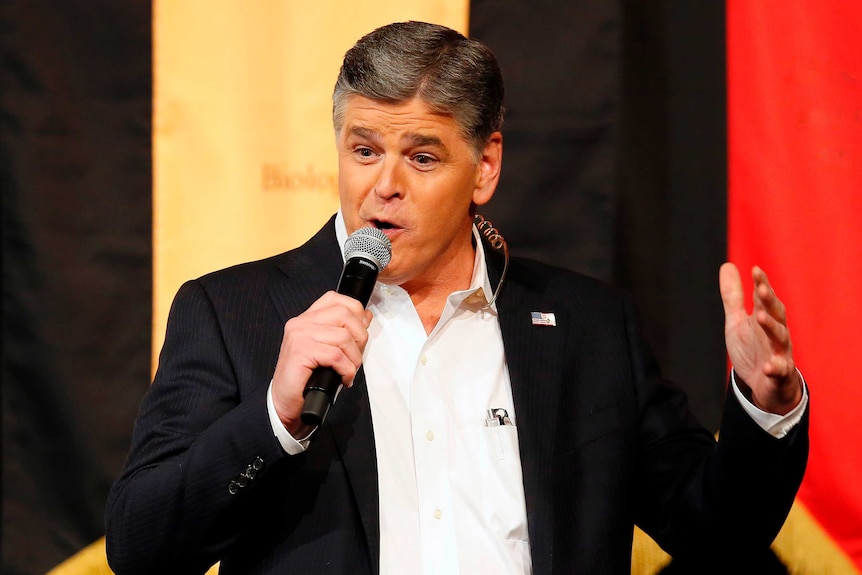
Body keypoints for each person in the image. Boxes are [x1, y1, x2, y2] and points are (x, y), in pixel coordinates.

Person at [105, 21, 808, 575]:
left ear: (486, 167)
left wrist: (765, 407)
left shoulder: (590, 327)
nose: (384, 184)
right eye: (364, 149)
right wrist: (273, 418)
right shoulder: (235, 314)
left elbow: (715, 533)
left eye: (421, 156)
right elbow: (140, 547)